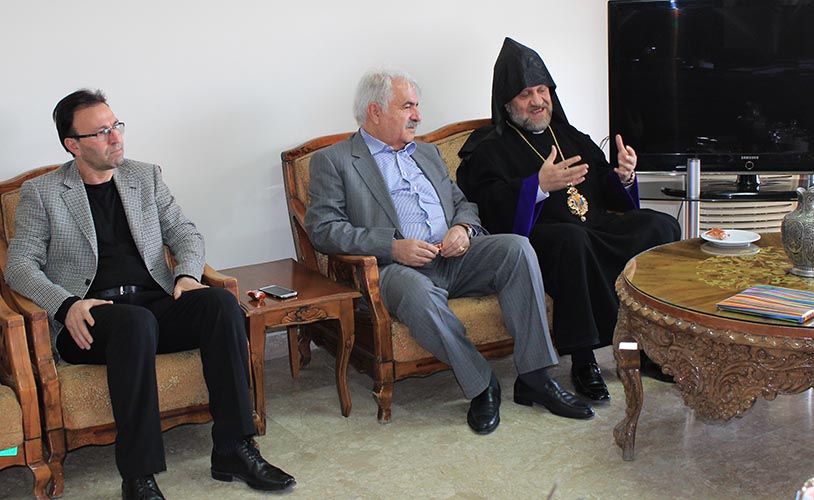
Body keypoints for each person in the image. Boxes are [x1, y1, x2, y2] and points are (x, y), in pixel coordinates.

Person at [4, 89, 295, 500]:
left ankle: (234, 447)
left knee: (220, 304)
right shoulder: (43, 193)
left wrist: (187, 275)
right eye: (101, 132)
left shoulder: (145, 177)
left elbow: (185, 233)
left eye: (116, 126)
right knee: (134, 323)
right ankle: (138, 476)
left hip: (153, 302)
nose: (116, 137)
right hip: (90, 319)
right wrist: (65, 305)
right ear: (73, 145)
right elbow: (19, 266)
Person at [304, 68, 595, 436]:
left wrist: (464, 229)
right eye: (408, 107)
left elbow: (463, 203)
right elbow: (323, 229)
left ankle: (535, 378)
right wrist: (392, 246)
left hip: (455, 257)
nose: (417, 115)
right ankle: (481, 384)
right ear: (375, 111)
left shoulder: (427, 153)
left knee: (517, 248)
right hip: (395, 269)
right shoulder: (336, 160)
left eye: (416, 106)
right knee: (416, 290)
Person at [457, 38, 681, 402]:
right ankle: (583, 359)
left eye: (542, 90)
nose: (537, 100)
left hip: (593, 226)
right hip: (543, 238)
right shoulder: (488, 149)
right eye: (525, 93)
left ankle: (646, 348)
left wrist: (624, 176)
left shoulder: (571, 136)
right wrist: (536, 187)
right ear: (507, 102)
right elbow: (489, 205)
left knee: (660, 225)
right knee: (572, 241)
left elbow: (605, 186)